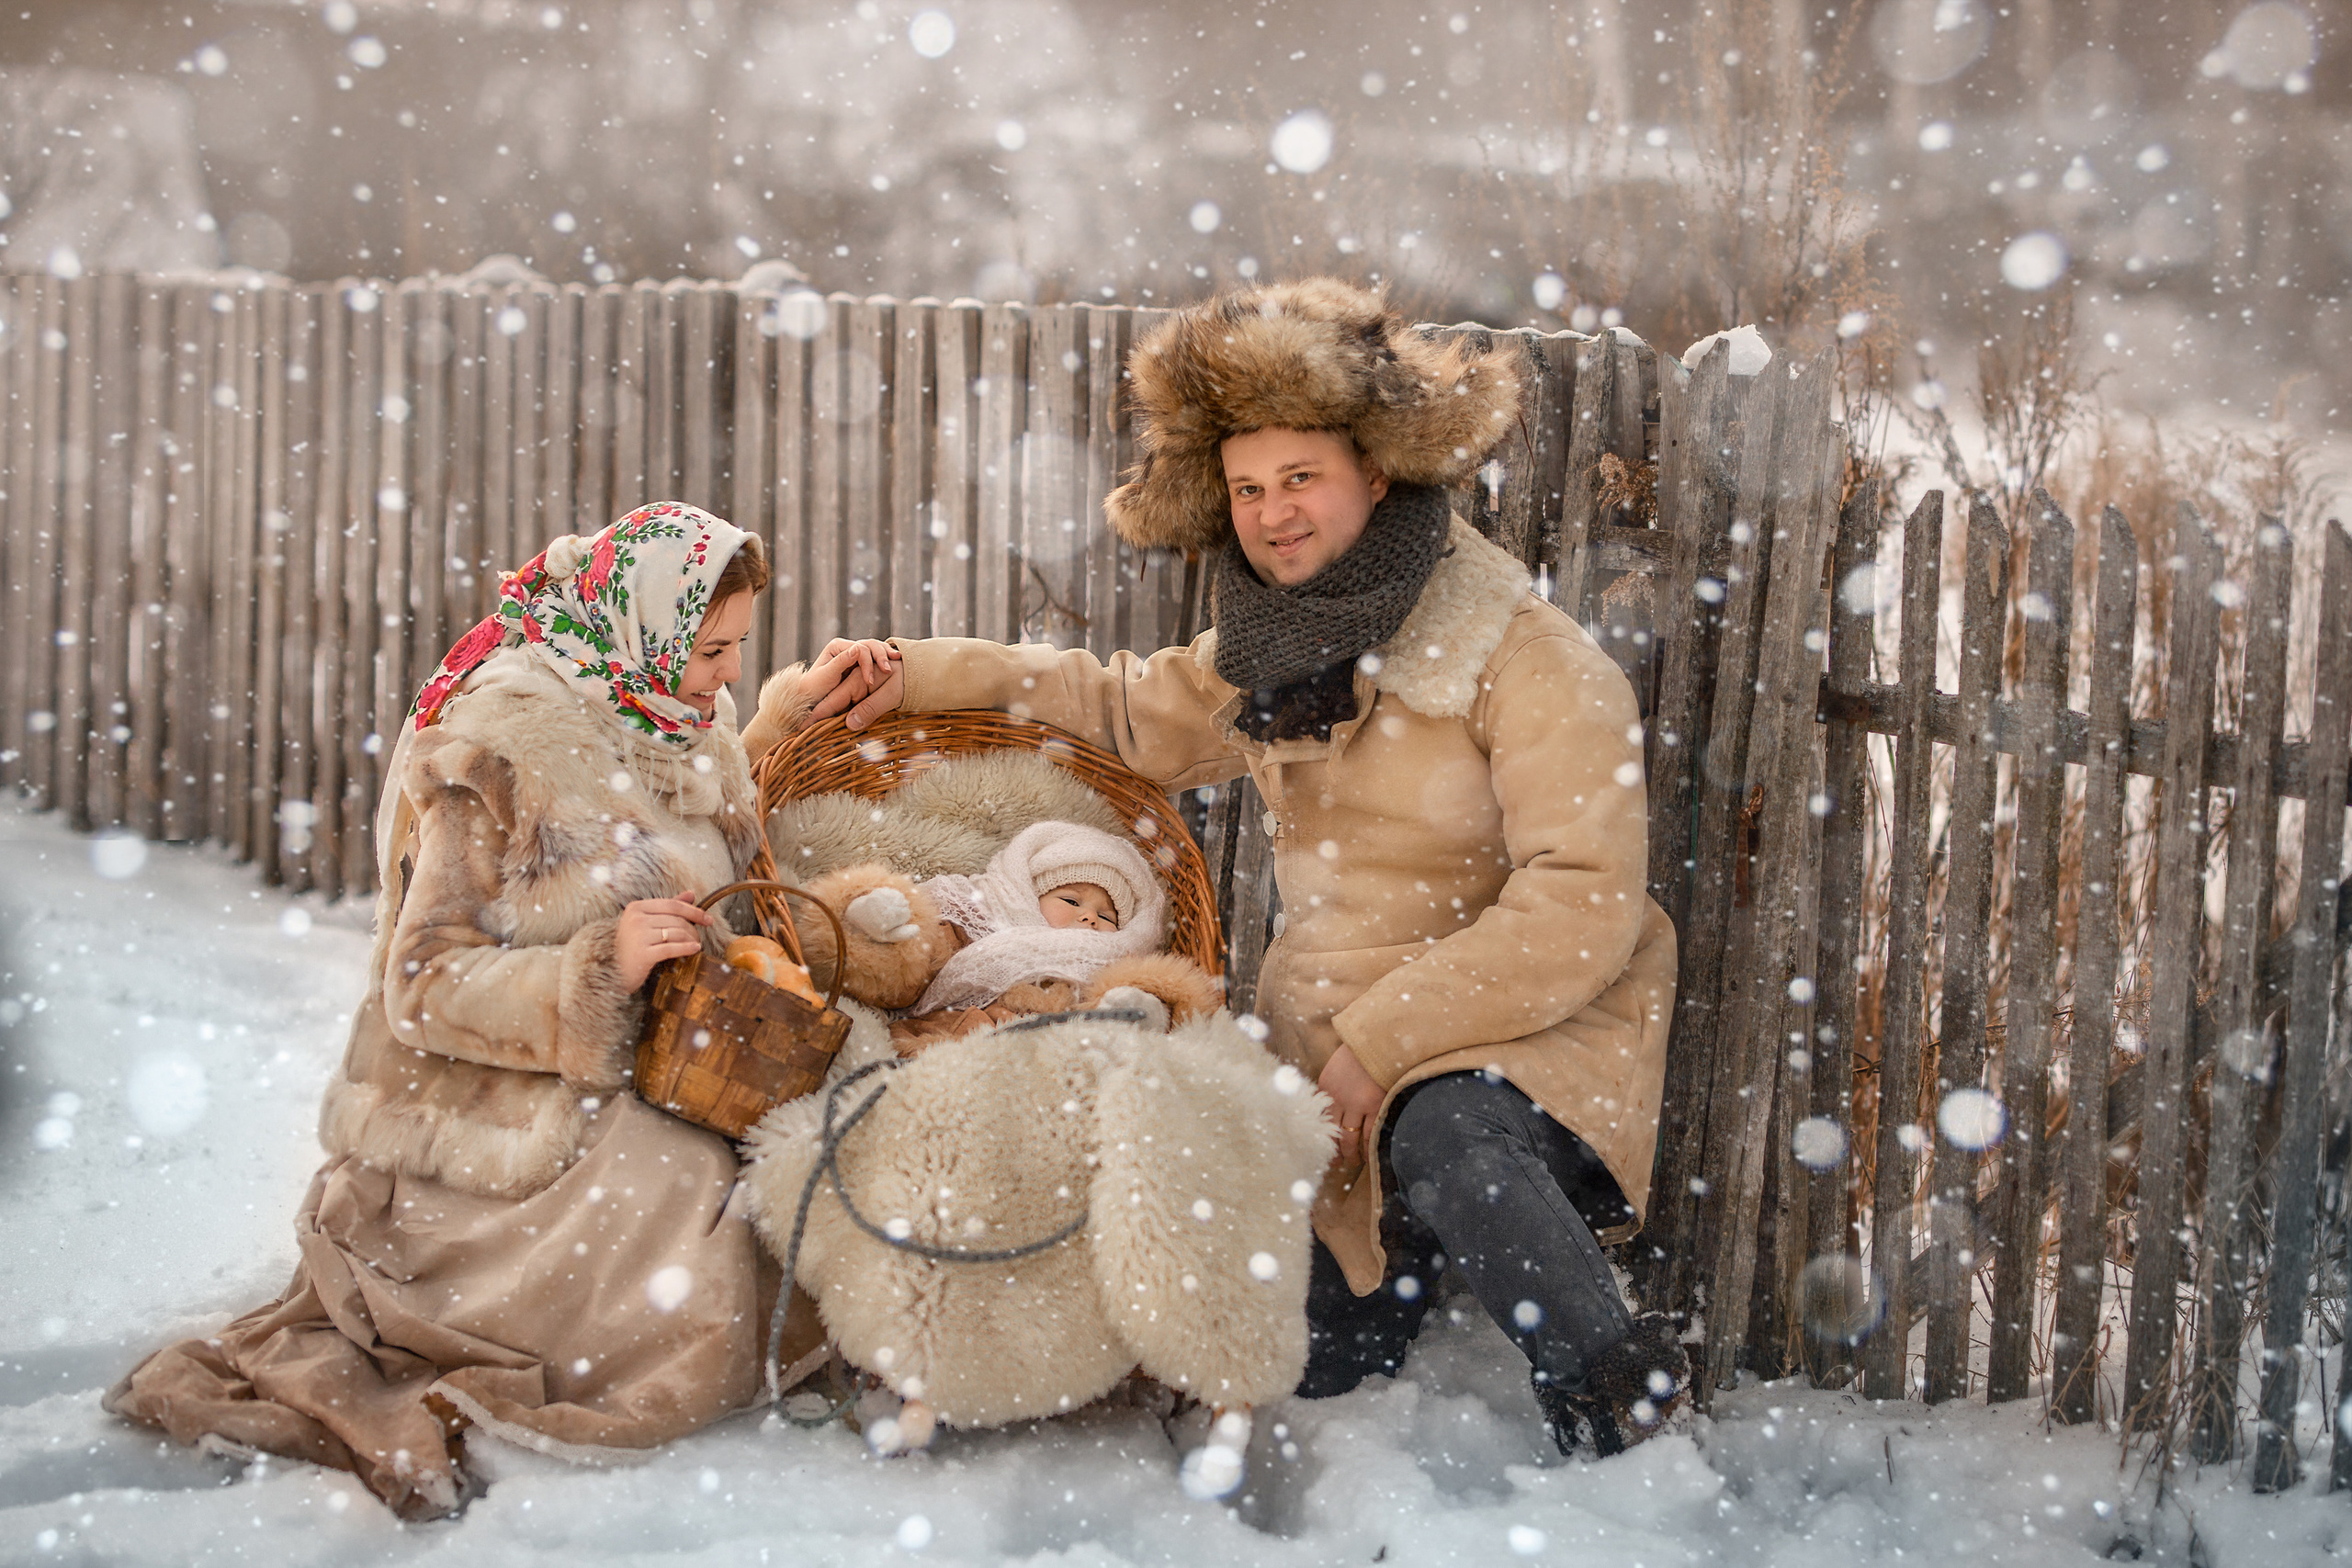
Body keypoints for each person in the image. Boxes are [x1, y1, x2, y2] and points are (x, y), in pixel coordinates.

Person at [782, 279, 1686, 1454]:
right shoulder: (1282, 648)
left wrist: (1385, 1047)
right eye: (1249, 489)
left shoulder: (1527, 660)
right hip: (1332, 1061)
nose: (1274, 514)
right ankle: (1381, 1263)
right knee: (1318, 1365)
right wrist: (919, 672)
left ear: (1377, 471)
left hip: (1518, 1034)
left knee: (1447, 1139)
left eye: (1301, 478)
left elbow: (1583, 907)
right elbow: (1121, 708)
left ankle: (1622, 1394)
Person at [106, 502, 849, 1517]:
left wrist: (794, 712)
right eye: (712, 649)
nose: (725, 674)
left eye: (737, 650)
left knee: (808, 1149)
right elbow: (419, 987)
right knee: (694, 1192)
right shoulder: (503, 741)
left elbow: (685, 814)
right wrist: (594, 969)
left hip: (665, 1060)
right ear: (646, 628)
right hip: (494, 1107)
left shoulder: (679, 712)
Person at [789, 818, 1223, 1054]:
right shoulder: (977, 919)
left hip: (1050, 1064)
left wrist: (1142, 1006)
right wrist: (884, 938)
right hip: (945, 1047)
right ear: (1029, 895)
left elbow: (1165, 982)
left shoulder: (1111, 965)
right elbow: (913, 967)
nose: (1089, 919)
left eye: (1107, 915)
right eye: (1071, 901)